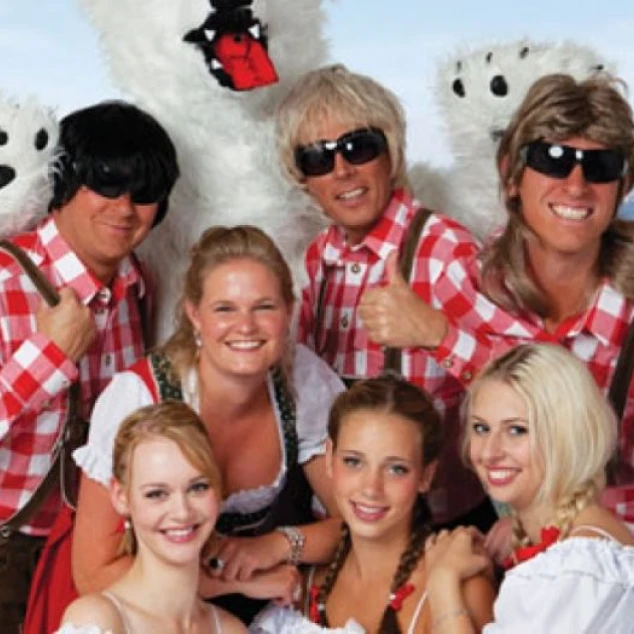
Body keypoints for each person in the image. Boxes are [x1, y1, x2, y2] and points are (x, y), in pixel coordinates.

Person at [275, 62, 509, 529]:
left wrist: (436, 334)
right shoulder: (319, 257)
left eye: (359, 147)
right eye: (318, 158)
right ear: (303, 178)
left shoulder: (442, 249)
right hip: (342, 519)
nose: (342, 170)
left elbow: (524, 381)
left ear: (393, 153)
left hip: (438, 524)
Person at [72, 224, 345, 624]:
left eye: (264, 307)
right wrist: (237, 583)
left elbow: (357, 521)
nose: (246, 326)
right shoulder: (138, 397)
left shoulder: (302, 380)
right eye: (225, 309)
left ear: (289, 311)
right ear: (194, 315)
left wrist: (276, 545)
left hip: (258, 609)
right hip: (138, 614)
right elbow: (93, 575)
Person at [0, 100, 179, 633]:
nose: (124, 208)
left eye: (144, 191)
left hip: (91, 551)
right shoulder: (5, 278)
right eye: (106, 182)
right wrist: (49, 355)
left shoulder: (138, 285)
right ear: (65, 181)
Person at [473, 72, 634, 525]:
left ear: (622, 186)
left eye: (600, 166)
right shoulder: (477, 283)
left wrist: (551, 523)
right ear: (511, 175)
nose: (577, 185)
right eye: (554, 159)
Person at [252, 376, 495, 633]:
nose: (371, 489)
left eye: (396, 469)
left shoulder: (461, 588)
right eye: (354, 462)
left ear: (426, 475)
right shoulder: (300, 582)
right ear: (329, 458)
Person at [425, 343, 634, 633]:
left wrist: (442, 583)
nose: (490, 452)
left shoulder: (578, 567)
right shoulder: (574, 551)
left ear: (565, 436)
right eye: (481, 428)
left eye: (517, 430)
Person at [57, 401, 246, 633]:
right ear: (121, 497)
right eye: (157, 494)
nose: (182, 512)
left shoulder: (230, 629)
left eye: (198, 487)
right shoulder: (97, 619)